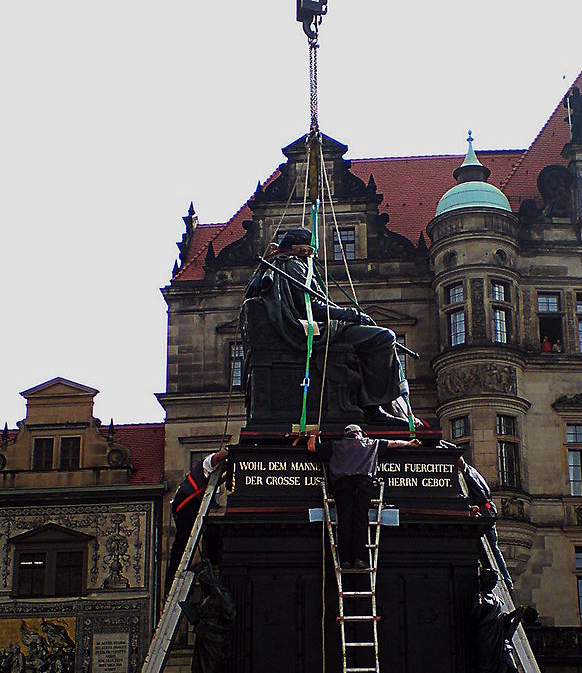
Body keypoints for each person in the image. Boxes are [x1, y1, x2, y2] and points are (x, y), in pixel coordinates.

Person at [243, 228, 405, 421]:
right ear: (304, 250)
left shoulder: (277, 265)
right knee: (384, 338)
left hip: (299, 328)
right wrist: (353, 315)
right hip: (306, 330)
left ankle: (376, 404)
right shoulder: (295, 265)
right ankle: (373, 409)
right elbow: (312, 307)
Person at [308, 424, 419, 569]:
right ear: (360, 433)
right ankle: (360, 559)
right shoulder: (372, 443)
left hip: (342, 486)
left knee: (344, 522)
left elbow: (311, 447)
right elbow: (395, 443)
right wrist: (410, 443)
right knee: (361, 521)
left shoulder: (335, 445)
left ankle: (345, 561)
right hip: (363, 486)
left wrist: (313, 435)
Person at [164, 448, 228, 591]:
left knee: (184, 541)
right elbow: (217, 458)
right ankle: (172, 579)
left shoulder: (207, 475)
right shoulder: (206, 463)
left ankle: (174, 575)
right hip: (186, 506)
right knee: (182, 542)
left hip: (186, 506)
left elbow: (215, 483)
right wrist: (232, 451)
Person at [452, 450, 514, 591]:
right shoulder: (472, 471)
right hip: (488, 509)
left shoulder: (467, 473)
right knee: (492, 548)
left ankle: (504, 581)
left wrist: (477, 509)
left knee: (490, 548)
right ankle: (504, 579)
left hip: (485, 510)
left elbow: (482, 496)